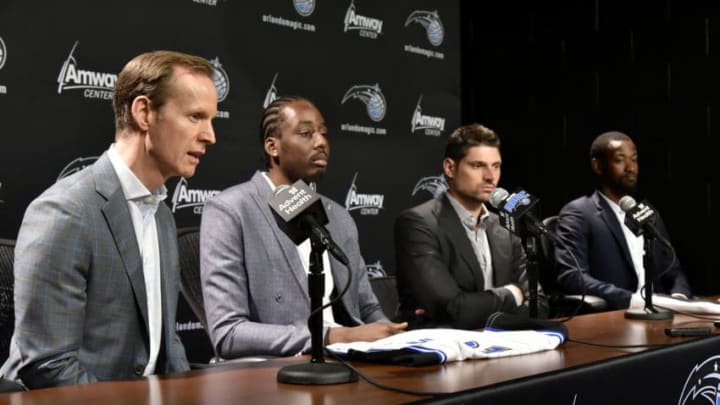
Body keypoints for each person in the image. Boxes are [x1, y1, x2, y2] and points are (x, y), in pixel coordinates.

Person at [0, 50, 218, 388]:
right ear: (144, 112)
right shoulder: (66, 211)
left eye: (212, 120)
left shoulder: (161, 213)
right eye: (195, 117)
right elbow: (47, 367)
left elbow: (166, 348)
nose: (210, 135)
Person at [200, 96, 407, 358]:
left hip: (349, 361)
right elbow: (229, 333)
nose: (321, 142)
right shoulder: (231, 210)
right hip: (275, 372)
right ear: (272, 146)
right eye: (306, 133)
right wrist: (330, 336)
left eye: (323, 133)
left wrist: (399, 339)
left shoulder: (339, 217)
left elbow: (366, 309)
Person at [394, 123, 548, 330]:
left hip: (505, 341)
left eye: (496, 166)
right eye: (477, 165)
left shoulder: (504, 226)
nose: (490, 176)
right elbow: (452, 309)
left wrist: (474, 307)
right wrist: (513, 294)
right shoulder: (418, 223)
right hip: (446, 349)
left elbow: (539, 305)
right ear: (450, 168)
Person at [554, 131, 691, 310]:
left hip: (662, 313)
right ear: (598, 166)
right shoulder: (579, 213)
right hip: (616, 314)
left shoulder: (646, 212)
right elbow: (572, 276)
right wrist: (631, 300)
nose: (630, 168)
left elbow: (673, 269)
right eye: (620, 160)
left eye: (634, 159)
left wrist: (679, 298)